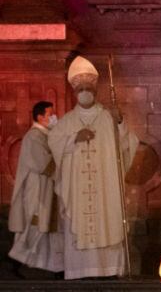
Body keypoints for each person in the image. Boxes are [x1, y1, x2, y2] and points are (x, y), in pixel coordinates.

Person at [48, 55, 138, 280]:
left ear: (96, 89)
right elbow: (53, 146)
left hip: (105, 193)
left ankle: (109, 269)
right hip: (77, 193)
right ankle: (80, 270)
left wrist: (120, 123)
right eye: (81, 88)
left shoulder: (109, 118)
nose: (85, 91)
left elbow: (129, 144)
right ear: (74, 92)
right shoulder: (65, 123)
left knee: (107, 221)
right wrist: (74, 139)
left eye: (89, 86)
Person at [7, 101, 64, 276]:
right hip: (38, 192)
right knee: (35, 228)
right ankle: (14, 263)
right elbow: (44, 163)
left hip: (48, 190)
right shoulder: (33, 137)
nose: (54, 118)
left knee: (50, 229)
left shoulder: (46, 135)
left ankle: (58, 269)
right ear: (40, 117)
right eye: (50, 114)